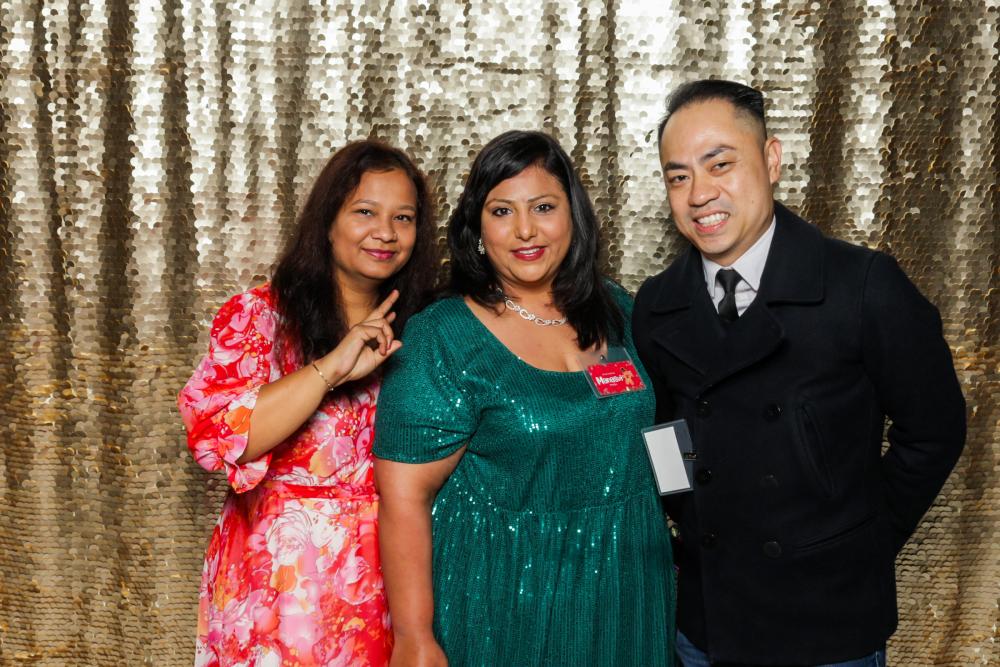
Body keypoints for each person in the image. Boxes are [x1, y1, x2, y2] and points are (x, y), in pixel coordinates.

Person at [632, 79, 967, 666]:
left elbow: (934, 432)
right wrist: (695, 515)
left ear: (771, 160)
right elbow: (664, 434)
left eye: (720, 164)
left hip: (828, 624)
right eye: (678, 176)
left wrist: (861, 541)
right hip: (707, 625)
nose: (700, 193)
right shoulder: (657, 303)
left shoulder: (863, 285)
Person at [373, 130, 674, 666]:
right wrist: (413, 635)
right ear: (477, 229)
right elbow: (403, 497)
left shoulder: (619, 309)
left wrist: (692, 509)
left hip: (629, 584)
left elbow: (666, 425)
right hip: (506, 599)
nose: (525, 230)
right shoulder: (442, 337)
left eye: (543, 207)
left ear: (573, 215)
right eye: (502, 211)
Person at [177, 140, 438, 666]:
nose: (385, 233)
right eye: (365, 212)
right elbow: (219, 438)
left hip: (394, 575)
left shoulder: (431, 328)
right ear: (327, 222)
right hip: (277, 579)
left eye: (403, 218)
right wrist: (329, 370)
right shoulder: (260, 317)